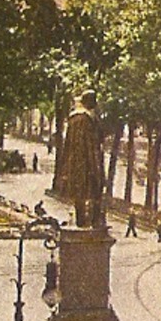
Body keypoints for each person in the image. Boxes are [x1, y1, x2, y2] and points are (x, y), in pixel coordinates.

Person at [56, 90, 107, 228]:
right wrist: (95, 166)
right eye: (93, 101)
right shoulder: (85, 119)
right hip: (86, 163)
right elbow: (89, 144)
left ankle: (84, 221)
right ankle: (90, 222)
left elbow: (67, 145)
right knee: (90, 191)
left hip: (78, 163)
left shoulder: (77, 119)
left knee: (81, 194)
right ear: (89, 102)